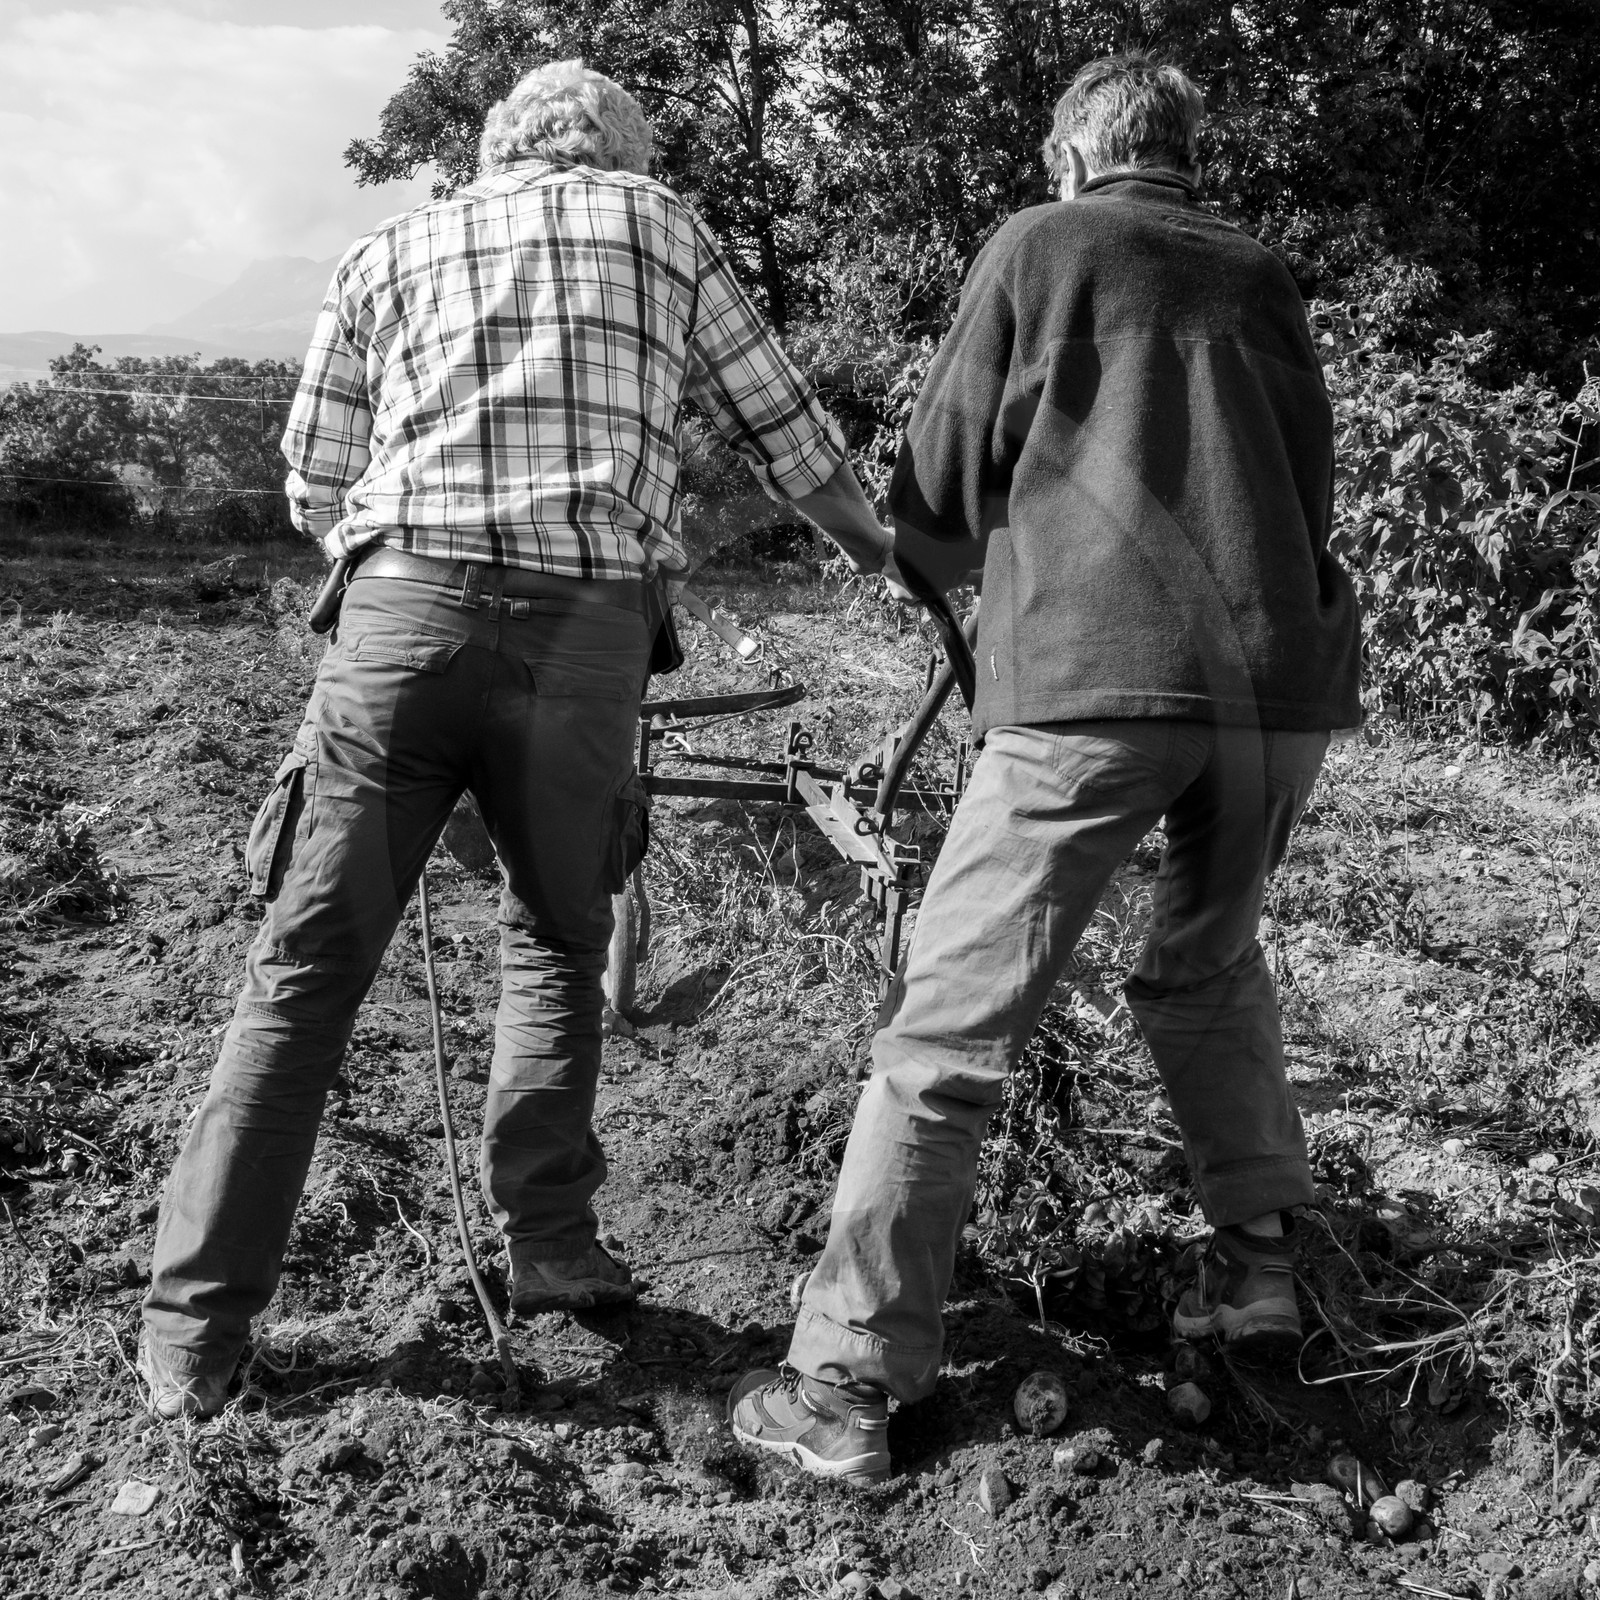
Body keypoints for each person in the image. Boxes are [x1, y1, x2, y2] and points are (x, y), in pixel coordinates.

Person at [138, 59, 892, 1420]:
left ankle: (192, 1338)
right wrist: (883, 556)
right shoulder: (660, 225)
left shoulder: (388, 248)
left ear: (494, 151)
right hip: (583, 639)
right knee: (553, 939)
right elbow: (789, 438)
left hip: (402, 624)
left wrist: (400, 567)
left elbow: (314, 478)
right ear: (621, 153)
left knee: (304, 973)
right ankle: (549, 1243)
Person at [730, 51, 1362, 1485]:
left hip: (1095, 685)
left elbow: (941, 486)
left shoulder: (1042, 245)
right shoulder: (1258, 274)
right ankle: (1260, 1276)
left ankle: (845, 1381)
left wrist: (935, 557)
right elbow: (1301, 490)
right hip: (1278, 697)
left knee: (948, 1032)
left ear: (1073, 157)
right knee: (1208, 967)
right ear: (1183, 158)